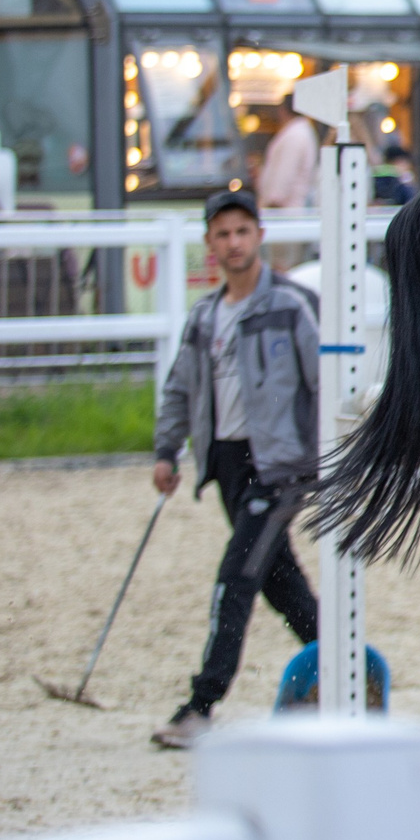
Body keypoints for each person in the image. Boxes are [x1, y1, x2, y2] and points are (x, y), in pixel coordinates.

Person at [149, 189, 321, 749]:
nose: (233, 242)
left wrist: (330, 452)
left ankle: (201, 703)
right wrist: (166, 450)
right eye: (222, 234)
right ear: (210, 245)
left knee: (237, 577)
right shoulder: (204, 317)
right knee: (278, 580)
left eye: (242, 231)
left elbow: (323, 381)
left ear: (259, 236)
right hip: (226, 463)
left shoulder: (291, 306)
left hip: (278, 466)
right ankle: (344, 666)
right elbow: (179, 388)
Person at [254, 98, 317, 209]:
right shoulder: (300, 131)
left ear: (282, 110)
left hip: (285, 211)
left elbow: (285, 174)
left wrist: (273, 202)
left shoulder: (295, 135)